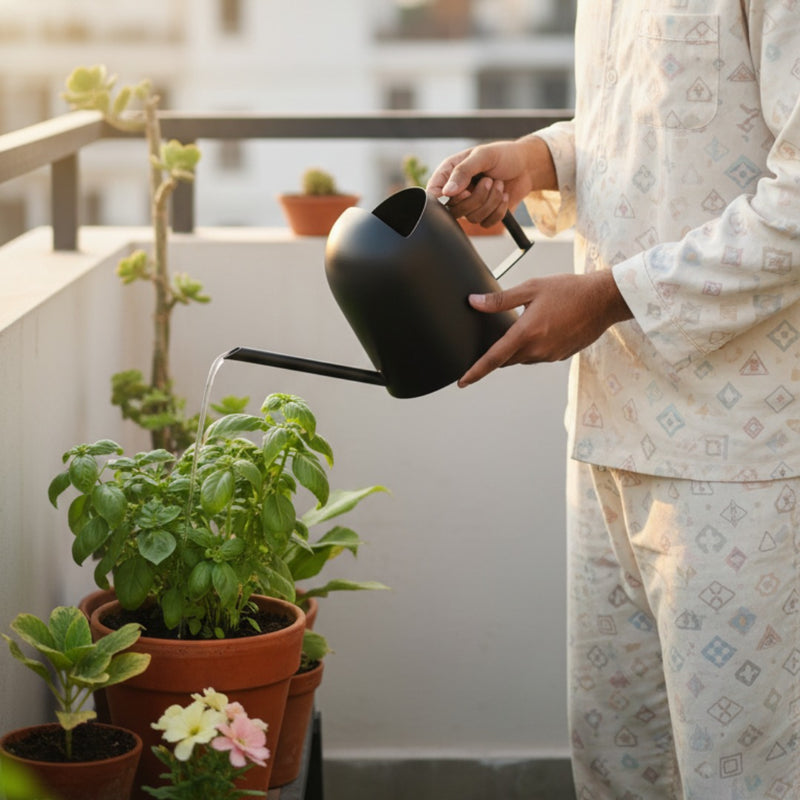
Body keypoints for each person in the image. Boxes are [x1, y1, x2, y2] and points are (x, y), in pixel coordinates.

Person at [427, 3, 800, 799]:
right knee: (619, 768)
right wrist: (539, 158)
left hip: (744, 456)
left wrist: (609, 295)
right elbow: (646, 112)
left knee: (743, 780)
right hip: (609, 428)